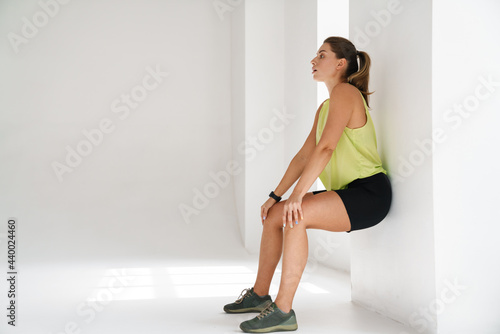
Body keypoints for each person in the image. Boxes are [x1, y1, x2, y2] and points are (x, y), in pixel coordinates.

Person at [223, 36, 392, 333]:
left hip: (369, 193)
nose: (313, 61)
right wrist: (277, 196)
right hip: (348, 193)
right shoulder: (327, 105)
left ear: (340, 63)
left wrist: (297, 196)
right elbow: (305, 155)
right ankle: (260, 295)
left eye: (322, 55)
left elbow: (326, 149)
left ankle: (284, 311)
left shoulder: (346, 92)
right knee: (276, 215)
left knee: (294, 215)